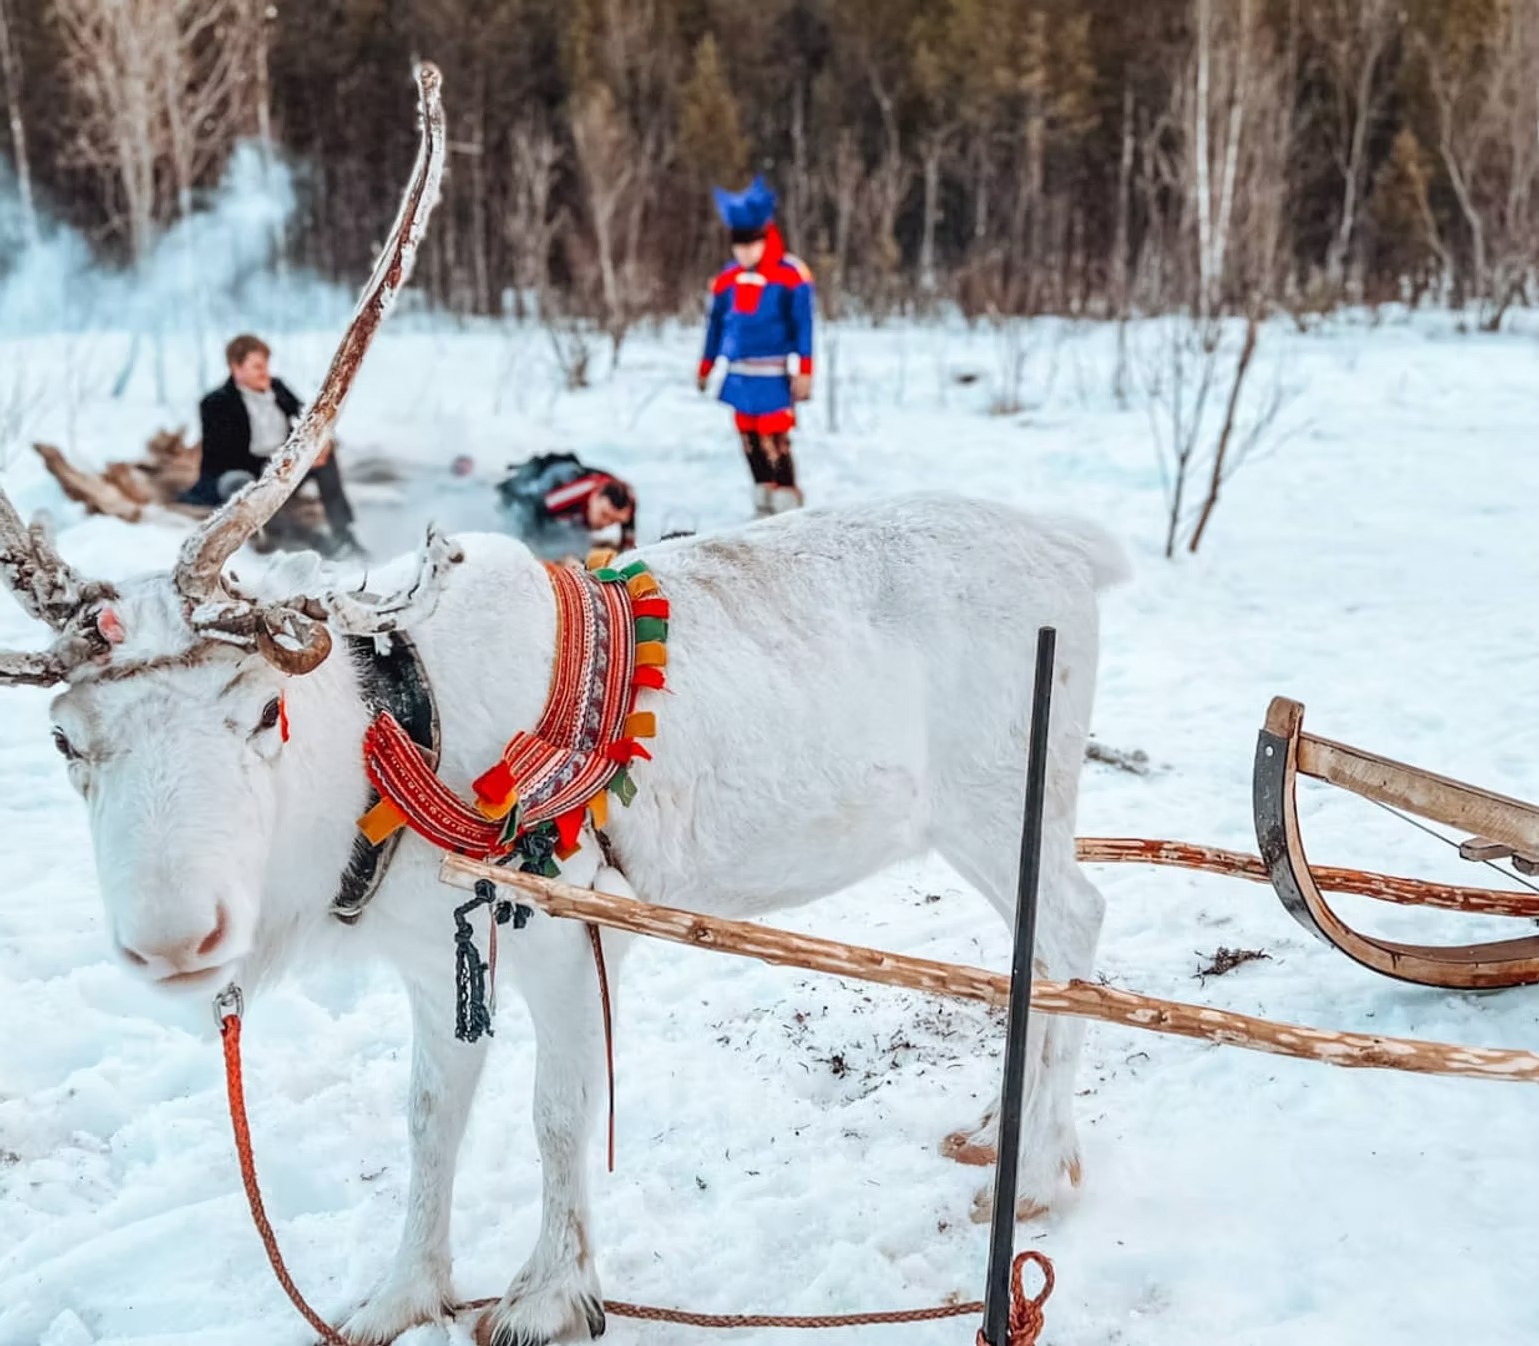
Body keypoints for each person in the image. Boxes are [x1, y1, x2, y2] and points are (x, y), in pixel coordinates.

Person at [182, 334, 365, 558]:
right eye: (257, 366)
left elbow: (309, 420)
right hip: (240, 471)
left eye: (266, 365)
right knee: (242, 483)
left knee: (326, 461)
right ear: (236, 368)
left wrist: (319, 446)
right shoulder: (215, 403)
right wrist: (276, 467)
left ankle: (344, 534)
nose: (265, 372)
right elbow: (224, 456)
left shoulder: (277, 388)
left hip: (280, 462)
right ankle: (303, 540)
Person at [697, 175, 814, 518]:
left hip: (773, 374)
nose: (744, 251)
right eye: (738, 245)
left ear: (765, 239)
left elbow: (804, 325)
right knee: (748, 440)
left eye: (751, 244)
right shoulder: (728, 277)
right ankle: (762, 502)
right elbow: (716, 323)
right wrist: (707, 364)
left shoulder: (791, 274)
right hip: (738, 376)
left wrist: (805, 369)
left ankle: (787, 505)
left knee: (774, 439)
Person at [497, 453, 636, 561]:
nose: (605, 524)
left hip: (591, 491)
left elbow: (628, 538)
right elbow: (537, 510)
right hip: (551, 480)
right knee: (523, 501)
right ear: (596, 496)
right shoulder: (578, 491)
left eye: (613, 521)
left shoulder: (628, 506)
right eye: (604, 515)